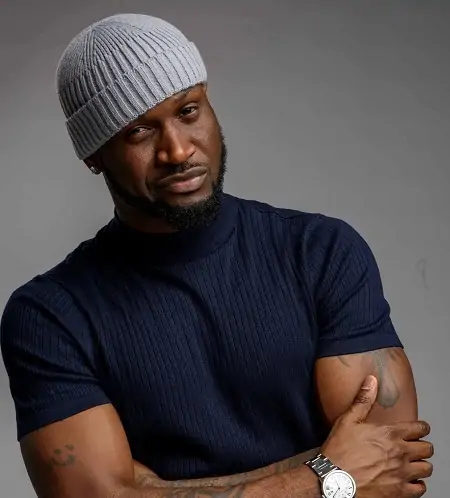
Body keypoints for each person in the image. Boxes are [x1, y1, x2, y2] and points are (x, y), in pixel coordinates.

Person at [0, 13, 433, 498]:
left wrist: (153, 489)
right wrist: (325, 476)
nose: (177, 151)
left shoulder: (321, 253)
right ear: (93, 156)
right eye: (139, 132)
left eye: (188, 111)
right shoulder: (50, 316)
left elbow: (391, 467)